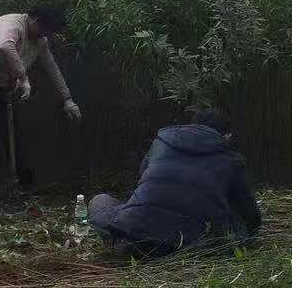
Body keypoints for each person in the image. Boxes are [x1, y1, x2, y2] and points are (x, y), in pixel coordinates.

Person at [88, 108, 262, 258]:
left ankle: (117, 243)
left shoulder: (161, 144)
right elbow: (250, 213)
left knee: (99, 200)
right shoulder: (231, 160)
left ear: (192, 126)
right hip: (194, 247)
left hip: (140, 234)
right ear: (227, 136)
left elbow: (144, 180)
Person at [0, 5, 82, 192]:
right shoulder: (12, 23)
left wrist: (68, 99)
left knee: (11, 132)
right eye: (46, 30)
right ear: (35, 20)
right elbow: (3, 45)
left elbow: (52, 68)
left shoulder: (40, 41)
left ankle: (25, 185)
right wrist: (22, 77)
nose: (47, 35)